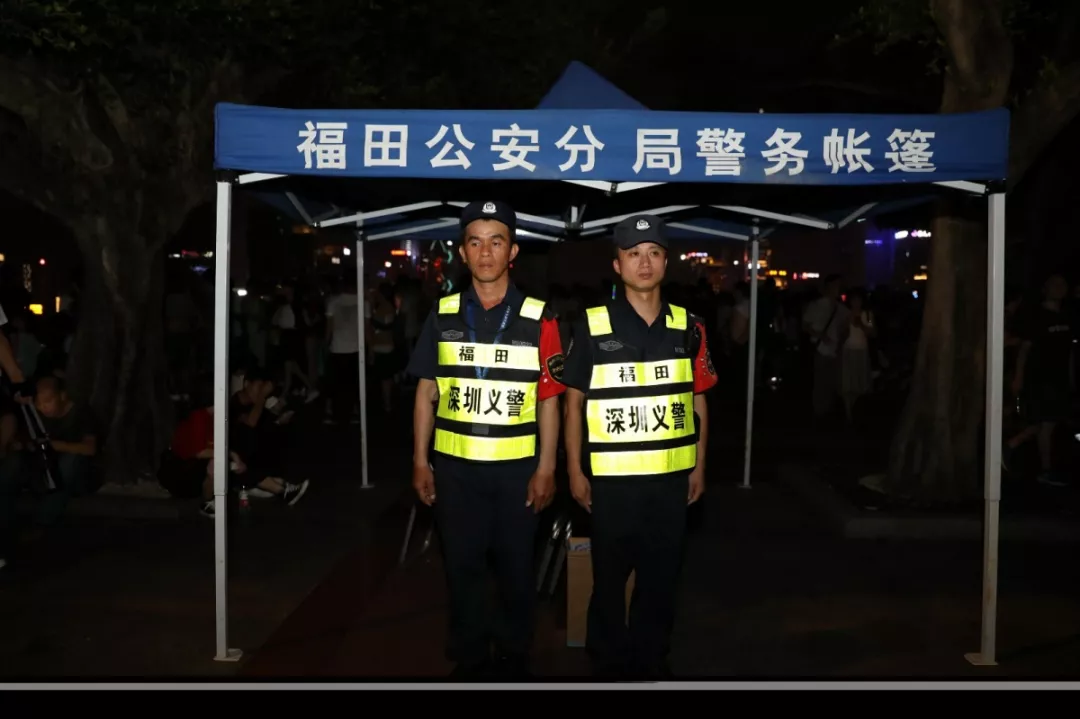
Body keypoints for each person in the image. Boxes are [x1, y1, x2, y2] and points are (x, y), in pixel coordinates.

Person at [407, 200, 566, 678]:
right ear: (462, 252)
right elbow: (426, 393)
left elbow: (550, 400)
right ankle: (470, 655)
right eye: (475, 242)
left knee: (517, 569)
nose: (485, 252)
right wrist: (420, 461)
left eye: (496, 242)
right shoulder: (443, 314)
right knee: (462, 568)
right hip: (455, 471)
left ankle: (515, 652)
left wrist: (547, 467)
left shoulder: (540, 317)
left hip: (518, 472)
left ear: (512, 251)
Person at [561, 214, 717, 679]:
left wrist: (699, 466)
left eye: (653, 253)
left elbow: (698, 401)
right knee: (608, 577)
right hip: (611, 483)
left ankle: (652, 658)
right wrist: (575, 470)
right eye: (633, 254)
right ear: (617, 265)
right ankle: (608, 659)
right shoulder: (592, 325)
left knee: (661, 577)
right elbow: (573, 403)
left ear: (666, 261)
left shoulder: (689, 326)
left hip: (671, 480)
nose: (644, 263)